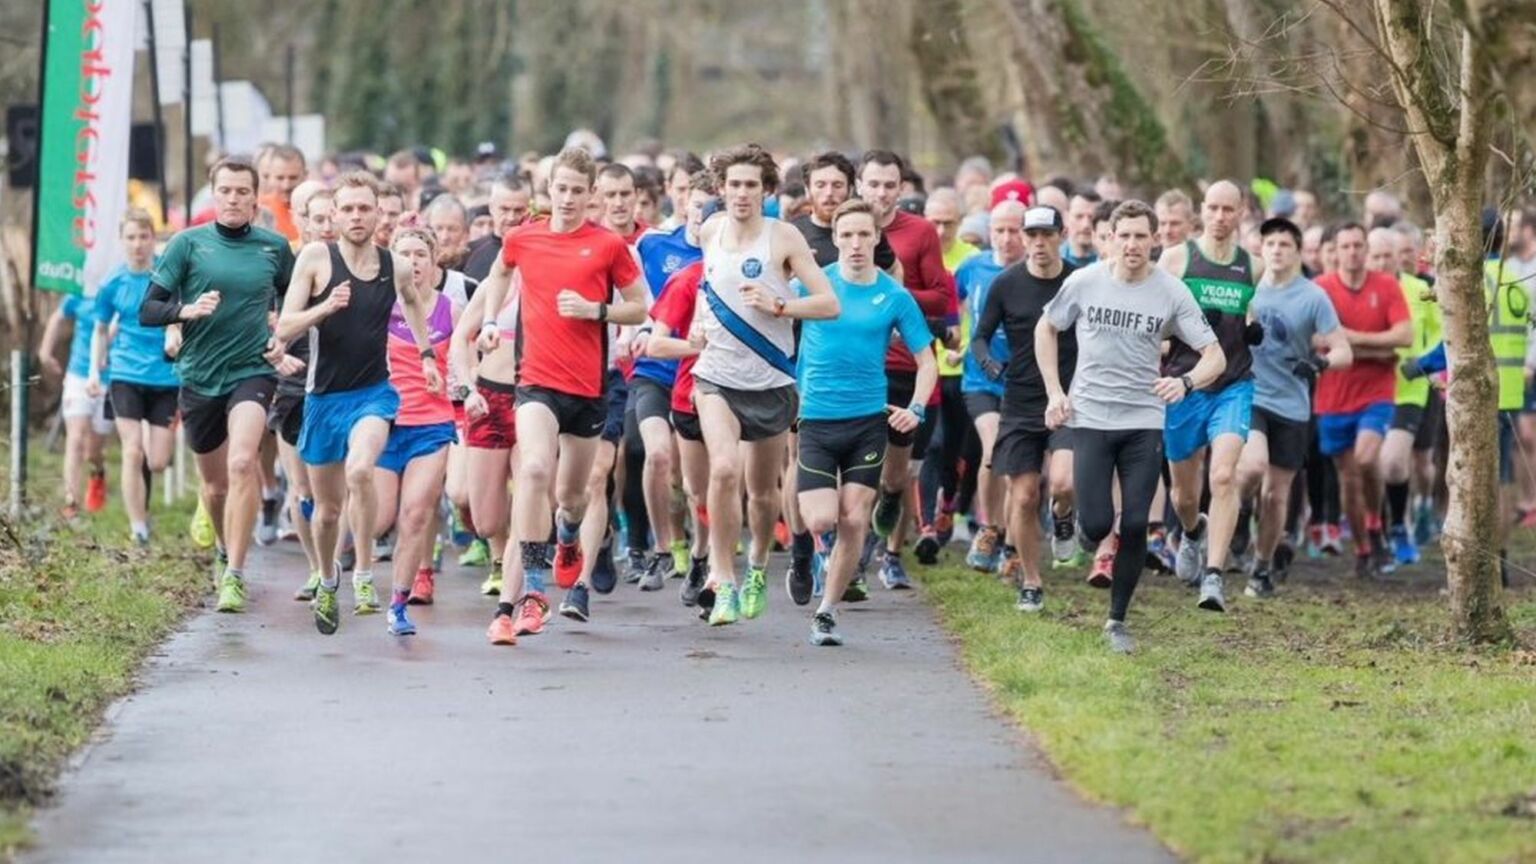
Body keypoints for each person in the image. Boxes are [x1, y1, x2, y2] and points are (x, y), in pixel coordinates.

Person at [473, 146, 649, 644]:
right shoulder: (523, 237)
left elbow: (640, 307)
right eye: (560, 189)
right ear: (547, 192)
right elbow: (501, 271)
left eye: (577, 190)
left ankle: (569, 537)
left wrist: (597, 311)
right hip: (535, 382)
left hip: (588, 390)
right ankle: (531, 590)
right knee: (532, 469)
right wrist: (488, 321)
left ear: (590, 195)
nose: (568, 198)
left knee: (572, 498)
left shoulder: (608, 245)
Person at [1037, 199, 1224, 653]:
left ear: (1155, 240)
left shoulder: (1171, 291)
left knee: (1136, 522)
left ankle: (1117, 620)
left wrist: (1186, 381)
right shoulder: (1085, 282)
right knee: (1098, 521)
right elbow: (1047, 328)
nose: (1133, 244)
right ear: (1111, 238)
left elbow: (1215, 356)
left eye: (1142, 236)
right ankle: (1075, 522)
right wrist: (1055, 393)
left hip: (1143, 420)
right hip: (1092, 417)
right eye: (1125, 236)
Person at [275, 171, 441, 636]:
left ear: (376, 214)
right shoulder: (314, 258)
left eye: (364, 208)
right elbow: (285, 327)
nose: (355, 216)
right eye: (346, 209)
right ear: (334, 214)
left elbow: (412, 302)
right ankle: (329, 579)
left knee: (362, 470)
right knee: (327, 511)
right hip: (323, 399)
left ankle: (365, 575)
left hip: (374, 393)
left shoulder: (394, 265)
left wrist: (427, 355)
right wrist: (325, 307)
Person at [140, 156, 299, 614]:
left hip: (252, 369)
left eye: (241, 192)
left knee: (244, 461)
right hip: (198, 375)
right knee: (214, 488)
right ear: (214, 195)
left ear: (255, 197)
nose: (233, 199)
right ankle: (224, 549)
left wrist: (280, 331)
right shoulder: (187, 245)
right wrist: (185, 311)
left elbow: (293, 298)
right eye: (225, 191)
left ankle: (235, 573)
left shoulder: (273, 247)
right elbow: (147, 310)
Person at [690, 143, 839, 625]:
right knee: (724, 470)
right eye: (733, 184)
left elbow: (828, 303)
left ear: (767, 190)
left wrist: (780, 306)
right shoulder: (710, 231)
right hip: (715, 376)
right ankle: (722, 576)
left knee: (761, 492)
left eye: (751, 185)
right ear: (721, 189)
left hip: (771, 377)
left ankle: (755, 565)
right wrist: (698, 322)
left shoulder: (783, 238)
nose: (741, 193)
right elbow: (708, 285)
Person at [796, 198, 938, 645]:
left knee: (854, 516)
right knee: (821, 520)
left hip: (867, 420)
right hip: (817, 416)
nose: (856, 243)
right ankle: (822, 554)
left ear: (877, 238)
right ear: (834, 239)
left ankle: (826, 611)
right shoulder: (815, 287)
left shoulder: (894, 296)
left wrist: (915, 408)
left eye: (864, 234)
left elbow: (926, 361)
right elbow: (777, 330)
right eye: (847, 235)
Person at [1156, 180, 1264, 612]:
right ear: (1202, 211)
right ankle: (1191, 532)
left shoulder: (1253, 268)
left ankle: (1214, 577)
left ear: (1241, 214)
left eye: (1228, 209)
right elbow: (1156, 323)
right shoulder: (1178, 258)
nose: (1220, 217)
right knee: (1184, 495)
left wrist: (1253, 325)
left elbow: (1253, 318)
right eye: (1213, 208)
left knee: (1223, 476)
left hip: (1234, 384)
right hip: (1184, 385)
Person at [1235, 217, 1351, 597]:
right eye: (1269, 244)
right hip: (1251, 394)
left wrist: (1319, 363)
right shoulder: (1248, 288)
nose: (1276, 251)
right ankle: (1237, 517)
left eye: (1285, 245)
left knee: (1276, 494)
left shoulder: (1313, 296)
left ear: (1298, 252)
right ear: (1260, 250)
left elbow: (1343, 350)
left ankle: (1263, 566)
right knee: (1250, 467)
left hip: (1293, 404)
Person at [858, 150, 957, 592]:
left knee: (898, 475)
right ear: (859, 185)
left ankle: (893, 551)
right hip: (856, 366)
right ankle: (853, 553)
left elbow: (941, 297)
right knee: (855, 470)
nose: (881, 193)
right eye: (873, 184)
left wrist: (894, 296)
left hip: (903, 368)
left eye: (889, 185)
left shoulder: (919, 233)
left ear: (902, 189)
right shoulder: (845, 228)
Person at [971, 205, 1078, 611]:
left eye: (1045, 235)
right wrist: (988, 365)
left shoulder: (1078, 282)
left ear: (1060, 236)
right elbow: (979, 336)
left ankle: (1064, 515)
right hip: (1020, 399)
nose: (1036, 243)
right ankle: (1031, 581)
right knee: (1023, 496)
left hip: (1068, 398)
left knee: (1064, 482)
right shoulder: (1006, 284)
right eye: (1030, 235)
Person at [366, 225, 462, 635]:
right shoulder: (379, 307)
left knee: (416, 514)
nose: (413, 262)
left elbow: (464, 361)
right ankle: (340, 568)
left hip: (431, 423)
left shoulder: (450, 310)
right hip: (385, 422)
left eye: (420, 254)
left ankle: (398, 604)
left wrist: (463, 385)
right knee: (379, 517)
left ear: (434, 259)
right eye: (403, 254)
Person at [1313, 223, 1412, 578]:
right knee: (1349, 479)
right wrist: (1377, 347)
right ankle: (1365, 546)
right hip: (1333, 395)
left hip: (1377, 393)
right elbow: (1314, 339)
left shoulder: (1386, 285)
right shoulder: (1321, 289)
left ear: (1366, 250)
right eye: (1346, 245)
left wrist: (1349, 340)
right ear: (1335, 250)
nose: (1353, 252)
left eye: (1358, 245)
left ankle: (1375, 522)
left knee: (1368, 457)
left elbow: (1405, 335)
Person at [87, 210, 175, 544]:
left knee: (156, 461)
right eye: (131, 238)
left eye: (144, 237)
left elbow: (183, 313)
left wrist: (175, 333)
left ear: (153, 238)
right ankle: (138, 527)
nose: (138, 244)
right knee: (132, 450)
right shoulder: (113, 282)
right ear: (122, 241)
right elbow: (99, 328)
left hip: (166, 376)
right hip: (124, 373)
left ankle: (144, 508)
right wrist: (95, 372)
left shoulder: (167, 276)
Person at [955, 200, 1030, 575]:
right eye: (998, 230)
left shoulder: (1037, 272)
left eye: (1014, 230)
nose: (1005, 238)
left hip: (1024, 382)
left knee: (1019, 465)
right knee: (992, 448)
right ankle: (988, 526)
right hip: (980, 378)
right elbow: (952, 303)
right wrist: (954, 339)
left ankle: (1013, 545)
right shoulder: (973, 266)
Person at [1376, 226, 1441, 570]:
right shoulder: (1362, 290)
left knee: (1400, 463)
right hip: (1369, 390)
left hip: (1411, 388)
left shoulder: (1420, 290)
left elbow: (1441, 337)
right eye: (1381, 255)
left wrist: (1426, 366)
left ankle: (1406, 520)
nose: (1388, 261)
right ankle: (1377, 535)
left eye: (1394, 254)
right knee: (1369, 466)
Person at [40, 289, 113, 518]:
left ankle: (98, 471)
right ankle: (71, 502)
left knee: (93, 450)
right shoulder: (80, 288)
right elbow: (58, 317)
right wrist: (45, 352)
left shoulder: (118, 284)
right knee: (76, 438)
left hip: (110, 376)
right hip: (78, 374)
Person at [1062, 190, 1101, 267]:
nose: (1086, 225)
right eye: (1079, 216)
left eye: (1092, 218)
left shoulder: (1111, 263)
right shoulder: (1053, 259)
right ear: (1066, 218)